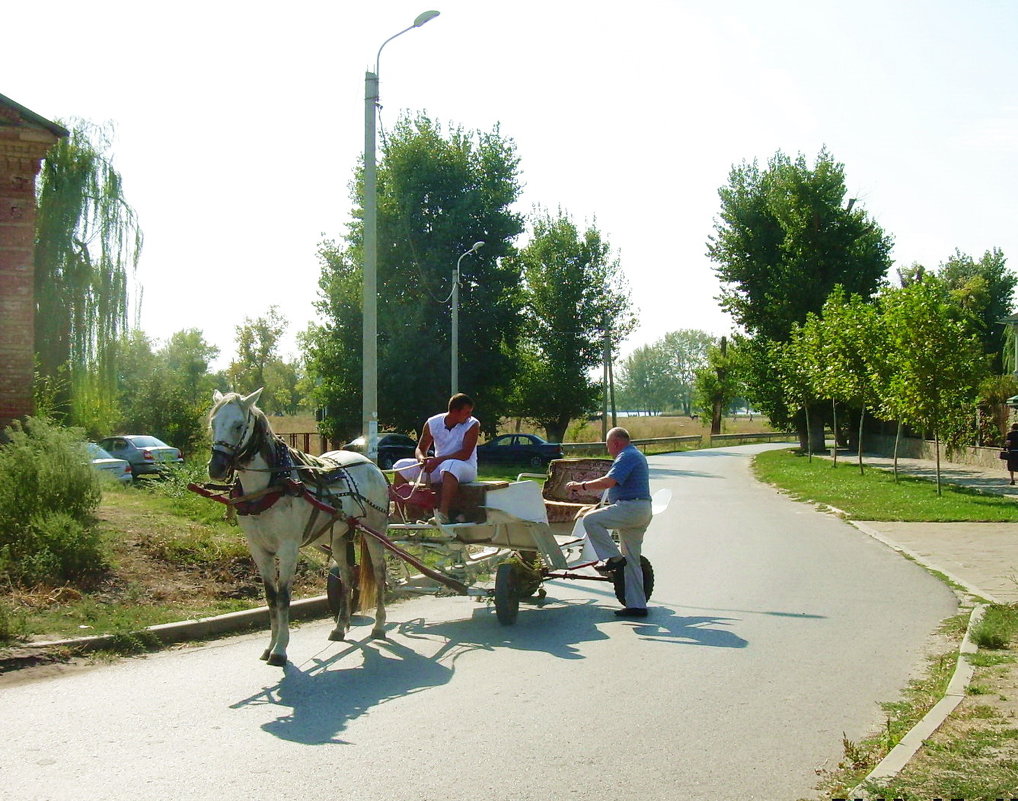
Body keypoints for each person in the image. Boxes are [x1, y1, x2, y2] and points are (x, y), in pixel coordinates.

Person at [566, 427, 652, 618]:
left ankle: (614, 560)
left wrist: (581, 486)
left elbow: (609, 481)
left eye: (607, 445)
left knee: (590, 520)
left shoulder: (626, 455)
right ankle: (637, 606)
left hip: (630, 508)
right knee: (632, 560)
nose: (608, 450)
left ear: (615, 443)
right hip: (641, 509)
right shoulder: (635, 454)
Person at [393, 393, 480, 525]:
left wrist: (436, 461)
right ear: (455, 411)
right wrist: (422, 460)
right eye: (467, 412)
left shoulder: (472, 424)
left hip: (465, 468)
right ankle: (397, 514)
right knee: (400, 466)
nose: (469, 416)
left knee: (450, 465)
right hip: (441, 468)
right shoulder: (433, 423)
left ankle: (443, 514)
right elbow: (420, 448)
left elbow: (465, 454)